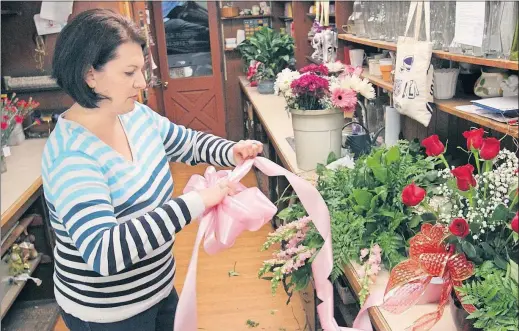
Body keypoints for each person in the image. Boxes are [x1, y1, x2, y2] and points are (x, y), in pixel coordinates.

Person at [42, 8, 262, 331]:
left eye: (142, 70)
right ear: (90, 74)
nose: (142, 83)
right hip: (109, 315)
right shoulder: (70, 156)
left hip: (158, 289)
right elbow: (105, 253)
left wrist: (230, 151)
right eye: (129, 73)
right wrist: (197, 202)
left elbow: (187, 142)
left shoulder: (135, 116)